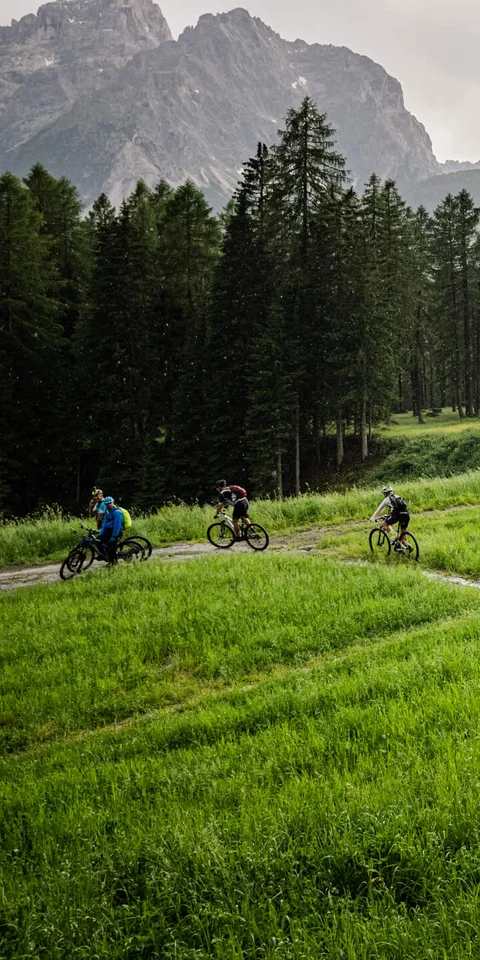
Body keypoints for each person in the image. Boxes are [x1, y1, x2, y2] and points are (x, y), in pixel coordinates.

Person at [370, 484, 411, 551]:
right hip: (406, 514)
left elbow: (379, 509)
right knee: (403, 531)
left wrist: (372, 518)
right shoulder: (397, 496)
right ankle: (405, 545)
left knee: (385, 524)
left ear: (385, 493)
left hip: (397, 515)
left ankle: (393, 538)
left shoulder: (386, 499)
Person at [98, 496, 125, 562]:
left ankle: (113, 563)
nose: (108, 505)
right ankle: (105, 556)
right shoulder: (107, 511)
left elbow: (117, 525)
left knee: (110, 547)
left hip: (117, 531)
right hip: (109, 531)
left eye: (110, 503)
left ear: (113, 503)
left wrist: (114, 536)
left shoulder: (117, 512)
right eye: (107, 504)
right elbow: (104, 523)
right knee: (99, 542)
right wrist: (101, 533)